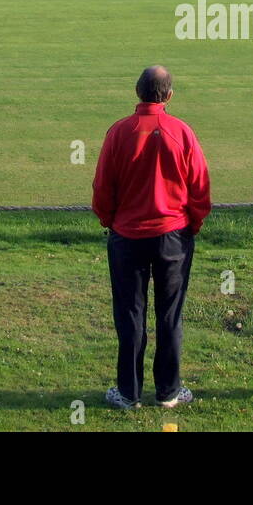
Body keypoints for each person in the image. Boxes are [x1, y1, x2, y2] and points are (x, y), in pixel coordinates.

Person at [92, 66, 212, 410]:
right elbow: (200, 187)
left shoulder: (119, 132)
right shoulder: (181, 132)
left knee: (130, 313)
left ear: (137, 91)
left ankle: (128, 392)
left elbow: (103, 187)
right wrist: (192, 224)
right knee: (170, 314)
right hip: (172, 235)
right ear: (169, 95)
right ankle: (168, 391)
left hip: (128, 236)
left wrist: (110, 221)